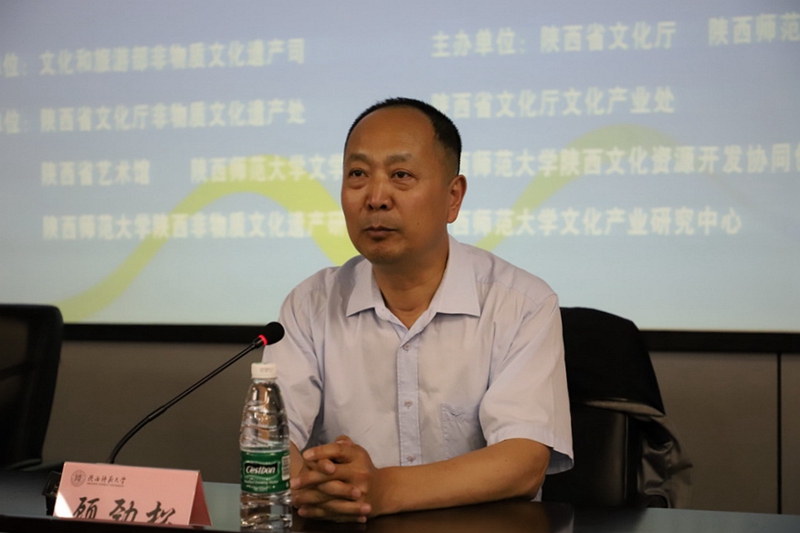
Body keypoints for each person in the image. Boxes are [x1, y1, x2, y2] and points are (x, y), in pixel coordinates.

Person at [263, 97, 572, 522]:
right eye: (357, 174)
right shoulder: (309, 304)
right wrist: (317, 489)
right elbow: (270, 441)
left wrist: (383, 489)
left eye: (401, 175)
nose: (375, 198)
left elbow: (523, 462)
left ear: (453, 197)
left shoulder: (522, 303)